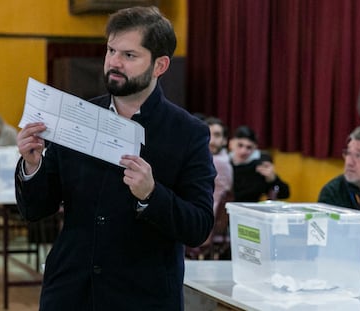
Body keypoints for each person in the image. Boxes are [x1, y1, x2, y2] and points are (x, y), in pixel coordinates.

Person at [15, 6, 215, 311]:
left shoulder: (189, 133)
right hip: (69, 294)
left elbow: (199, 227)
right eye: (111, 50)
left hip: (143, 299)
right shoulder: (76, 117)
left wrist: (151, 194)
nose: (114, 62)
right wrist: (32, 165)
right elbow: (35, 210)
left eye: (129, 55)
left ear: (160, 65)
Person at [318, 125, 360, 263]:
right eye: (348, 153)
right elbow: (323, 239)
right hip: (344, 272)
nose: (349, 162)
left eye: (359, 155)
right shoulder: (333, 192)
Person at [229, 125, 290, 202]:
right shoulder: (223, 163)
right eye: (240, 145)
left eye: (249, 147)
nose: (243, 151)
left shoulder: (259, 166)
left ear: (255, 148)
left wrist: (272, 179)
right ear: (231, 144)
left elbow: (285, 194)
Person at [205, 116, 233, 213]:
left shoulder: (218, 161)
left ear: (225, 140)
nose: (211, 141)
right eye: (208, 134)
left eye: (217, 135)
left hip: (209, 216)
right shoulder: (224, 156)